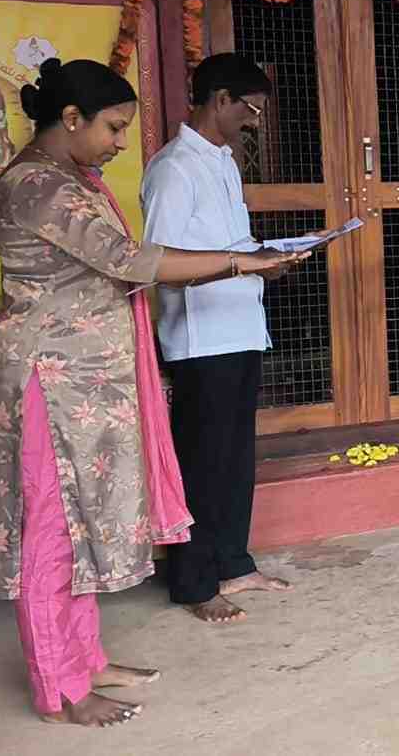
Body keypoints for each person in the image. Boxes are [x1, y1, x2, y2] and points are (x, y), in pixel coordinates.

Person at [0, 58, 305, 728]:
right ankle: (59, 690)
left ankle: (86, 658)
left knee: (80, 528)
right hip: (48, 383)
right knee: (51, 535)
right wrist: (241, 260)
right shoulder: (36, 185)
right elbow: (130, 261)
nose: (121, 142)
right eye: (114, 127)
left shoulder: (74, 179)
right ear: (71, 119)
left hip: (87, 383)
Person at [142, 53, 298, 625]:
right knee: (202, 464)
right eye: (249, 109)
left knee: (234, 460)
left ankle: (233, 562)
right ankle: (193, 582)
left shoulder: (224, 162)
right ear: (220, 100)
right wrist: (242, 264)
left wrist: (267, 260)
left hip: (239, 328)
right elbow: (159, 262)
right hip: (200, 338)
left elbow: (231, 245)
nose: (254, 121)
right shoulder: (174, 168)